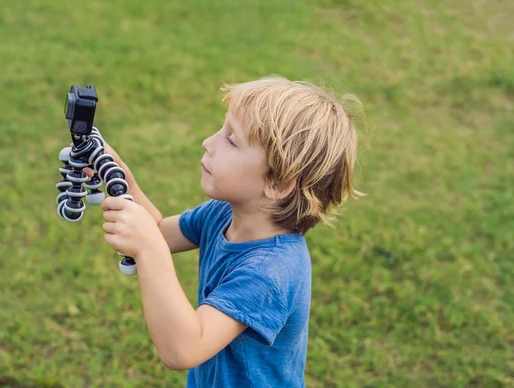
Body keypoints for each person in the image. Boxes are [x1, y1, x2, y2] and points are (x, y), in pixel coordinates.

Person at [94, 75, 362, 387]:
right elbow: (159, 233)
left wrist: (148, 249)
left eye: (231, 139)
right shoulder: (223, 214)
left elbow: (183, 350)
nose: (208, 142)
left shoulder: (269, 272)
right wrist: (118, 174)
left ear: (277, 183)